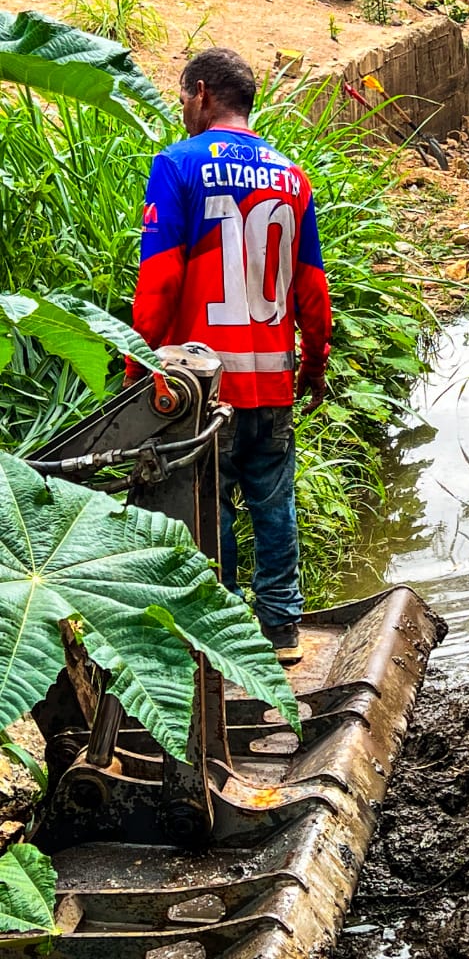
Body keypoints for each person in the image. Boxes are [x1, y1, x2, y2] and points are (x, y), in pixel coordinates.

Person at [125, 48, 332, 664]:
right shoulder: (293, 178)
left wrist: (140, 369)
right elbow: (311, 289)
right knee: (274, 502)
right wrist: (313, 364)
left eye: (184, 95)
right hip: (270, 381)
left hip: (201, 390)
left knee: (208, 507)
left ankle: (223, 641)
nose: (182, 107)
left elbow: (158, 282)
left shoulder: (177, 165)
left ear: (204, 92)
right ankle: (282, 632)